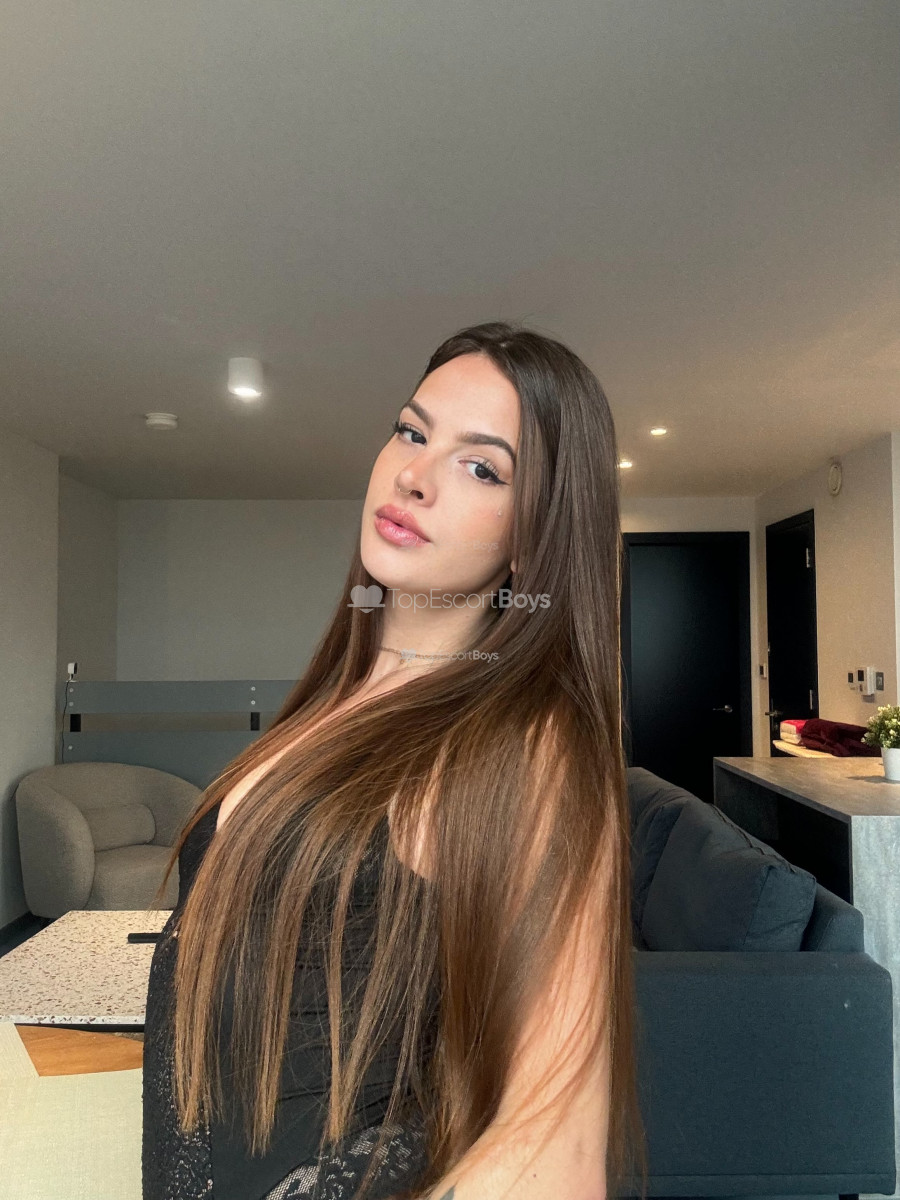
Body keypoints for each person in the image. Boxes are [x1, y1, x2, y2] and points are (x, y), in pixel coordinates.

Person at [141, 320, 649, 1200]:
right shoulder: (335, 703)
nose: (415, 475)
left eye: (481, 467)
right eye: (412, 432)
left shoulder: (525, 746)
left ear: (533, 535)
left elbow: (556, 1157)